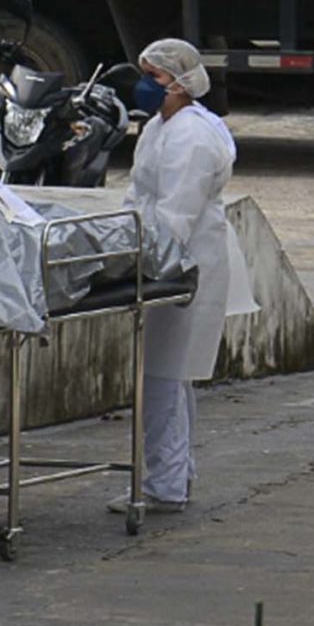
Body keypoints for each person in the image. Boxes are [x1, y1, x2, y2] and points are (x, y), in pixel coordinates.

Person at [116, 40, 258, 516]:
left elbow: (177, 213)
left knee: (163, 376)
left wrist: (142, 260)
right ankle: (175, 473)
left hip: (183, 263)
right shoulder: (161, 127)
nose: (144, 86)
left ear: (180, 84)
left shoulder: (192, 138)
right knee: (172, 376)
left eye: (154, 78)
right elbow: (141, 196)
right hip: (168, 259)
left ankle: (166, 484)